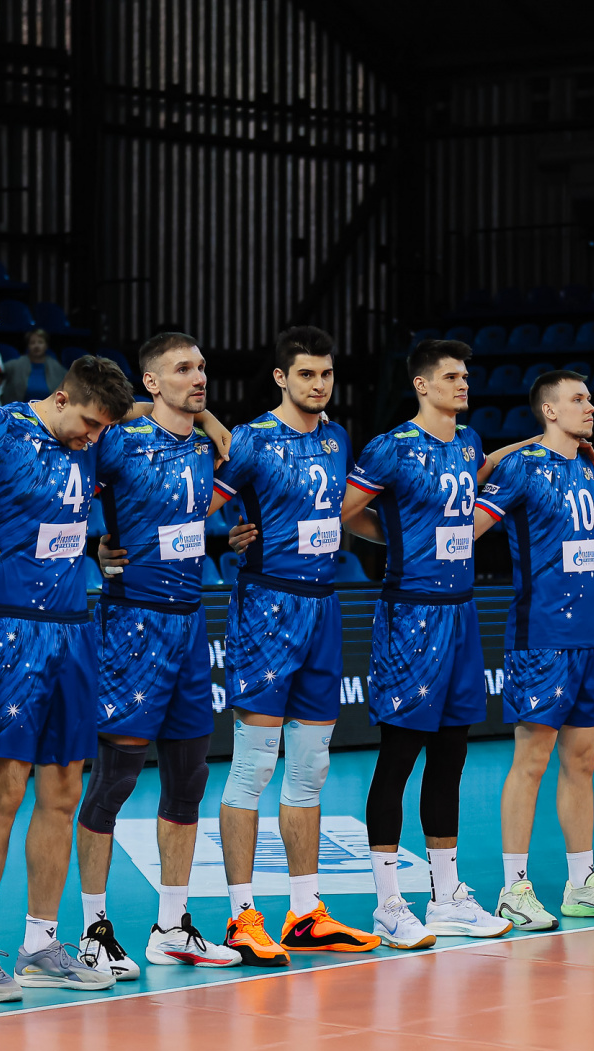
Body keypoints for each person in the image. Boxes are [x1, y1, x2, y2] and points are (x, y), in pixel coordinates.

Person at [0, 354, 135, 1001]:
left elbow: (147, 416)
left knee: (63, 792)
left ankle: (39, 943)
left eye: (103, 429)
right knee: (5, 791)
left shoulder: (93, 437)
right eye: (88, 424)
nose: (93, 439)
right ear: (61, 398)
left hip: (74, 629)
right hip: (9, 630)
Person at [73, 333, 244, 976]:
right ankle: (93, 929)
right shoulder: (118, 442)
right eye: (182, 369)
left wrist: (207, 417)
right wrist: (93, 547)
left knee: (189, 779)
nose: (198, 377)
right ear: (150, 382)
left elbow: (221, 478)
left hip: (191, 627)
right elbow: (66, 492)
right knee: (114, 781)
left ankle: (172, 926)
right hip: (132, 626)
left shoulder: (205, 447)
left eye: (202, 367)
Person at [211, 326, 381, 964]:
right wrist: (227, 536)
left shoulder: (338, 438)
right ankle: (240, 917)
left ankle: (306, 913)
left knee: (311, 768)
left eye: (326, 374)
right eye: (306, 374)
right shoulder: (253, 440)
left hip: (324, 608)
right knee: (254, 767)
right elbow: (203, 506)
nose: (319, 384)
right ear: (281, 377)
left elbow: (346, 512)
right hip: (266, 609)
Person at [339, 338, 511, 948]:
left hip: (462, 614)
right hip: (411, 615)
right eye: (452, 376)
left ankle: (446, 897)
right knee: (399, 757)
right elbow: (345, 511)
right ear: (422, 384)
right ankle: (388, 904)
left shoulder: (467, 442)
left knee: (451, 756)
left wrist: (521, 449)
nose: (463, 384)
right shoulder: (391, 447)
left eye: (466, 376)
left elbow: (472, 480)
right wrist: (395, 538)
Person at [473, 370, 594, 928]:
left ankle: (581, 884)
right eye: (577, 399)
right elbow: (468, 525)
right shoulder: (522, 467)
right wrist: (501, 455)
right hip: (540, 634)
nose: (590, 406)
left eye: (589, 398)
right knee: (532, 760)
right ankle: (513, 889)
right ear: (549, 411)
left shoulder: (584, 467)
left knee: (583, 759)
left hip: (588, 633)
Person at [3, 327, 65, 403]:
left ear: (46, 346)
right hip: (20, 409)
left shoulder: (56, 367)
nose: (36, 346)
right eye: (32, 343)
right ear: (28, 346)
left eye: (40, 342)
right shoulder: (15, 365)